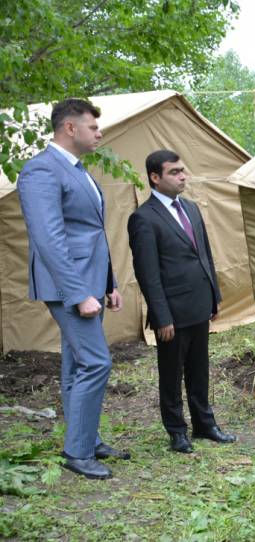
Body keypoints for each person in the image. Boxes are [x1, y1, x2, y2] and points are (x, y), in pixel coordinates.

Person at [17, 98, 128, 480]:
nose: (99, 133)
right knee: (96, 363)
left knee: (78, 363)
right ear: (70, 128)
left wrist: (109, 284)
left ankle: (87, 439)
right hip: (69, 286)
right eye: (93, 127)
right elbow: (49, 240)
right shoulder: (41, 170)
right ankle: (77, 453)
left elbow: (91, 234)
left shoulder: (80, 171)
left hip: (90, 282)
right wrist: (78, 293)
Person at [128, 150, 236, 453]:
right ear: (155, 177)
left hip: (199, 305)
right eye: (174, 172)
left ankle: (205, 424)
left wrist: (213, 296)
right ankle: (177, 431)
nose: (182, 176)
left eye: (182, 171)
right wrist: (161, 316)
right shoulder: (144, 218)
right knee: (172, 374)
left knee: (199, 370)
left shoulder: (190, 208)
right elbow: (148, 274)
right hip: (172, 313)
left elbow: (205, 255)